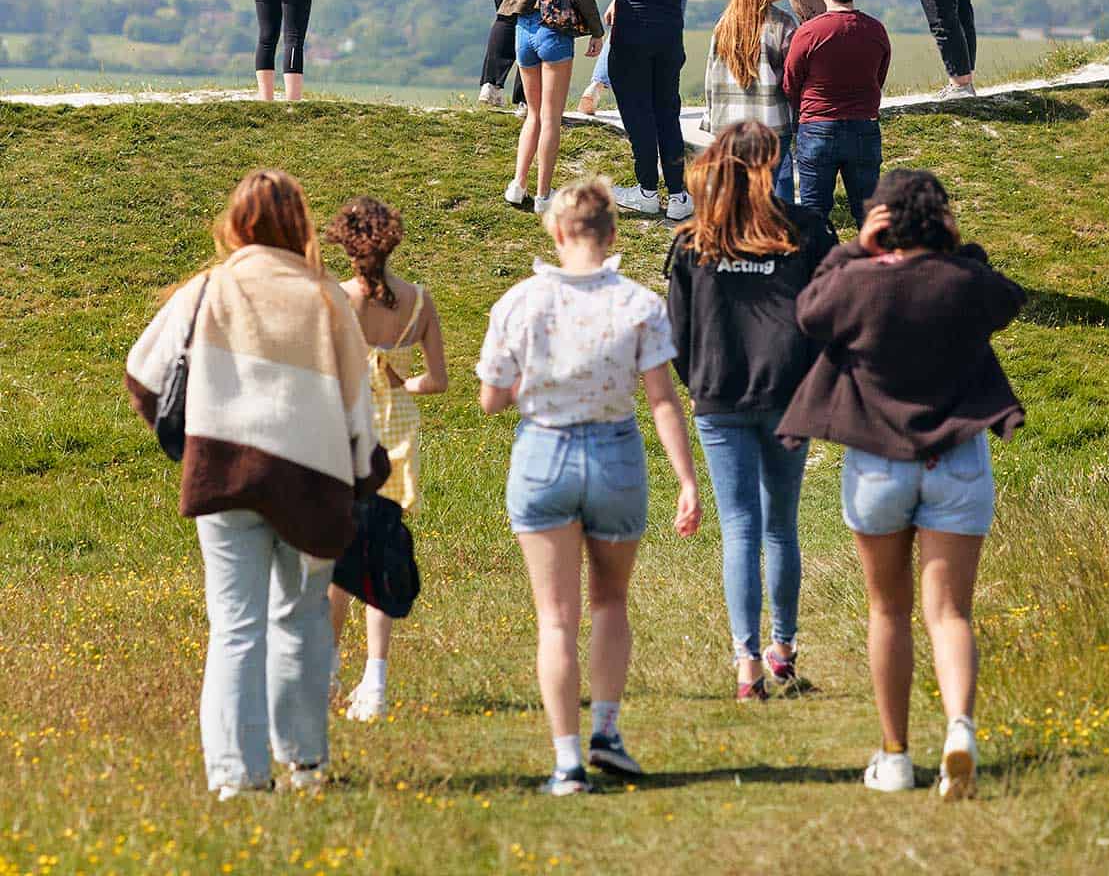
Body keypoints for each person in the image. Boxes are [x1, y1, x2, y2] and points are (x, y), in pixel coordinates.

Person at [124, 170, 385, 799]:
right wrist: (366, 477)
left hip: (223, 474)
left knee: (234, 627)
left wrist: (190, 436)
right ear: (299, 225)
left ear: (236, 224)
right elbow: (359, 410)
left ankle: (234, 778)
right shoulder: (327, 299)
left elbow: (142, 373)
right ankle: (305, 764)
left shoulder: (208, 288)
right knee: (299, 622)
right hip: (311, 481)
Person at [777, 170, 1026, 799]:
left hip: (877, 465)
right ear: (941, 222)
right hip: (958, 461)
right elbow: (1005, 297)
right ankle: (960, 730)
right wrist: (959, 246)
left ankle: (893, 757)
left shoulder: (857, 284)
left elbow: (809, 311)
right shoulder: (962, 283)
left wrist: (855, 248)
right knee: (950, 614)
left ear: (880, 220)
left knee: (888, 610)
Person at [476, 178, 702, 795]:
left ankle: (567, 760)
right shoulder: (638, 305)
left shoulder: (520, 303)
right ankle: (607, 730)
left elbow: (492, 398)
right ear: (611, 234)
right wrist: (685, 477)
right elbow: (662, 401)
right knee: (609, 602)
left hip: (544, 452)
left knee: (556, 619)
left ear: (555, 231)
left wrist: (543, 384)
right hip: (615, 454)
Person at [666, 123, 836, 700]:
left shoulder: (693, 241)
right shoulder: (806, 231)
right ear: (775, 162)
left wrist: (700, 386)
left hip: (718, 396)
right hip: (788, 396)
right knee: (780, 526)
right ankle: (783, 650)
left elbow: (678, 333)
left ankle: (747, 667)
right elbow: (829, 314)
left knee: (739, 528)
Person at [323, 197, 448, 722]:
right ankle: (374, 682)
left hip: (340, 442)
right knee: (380, 561)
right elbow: (438, 381)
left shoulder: (334, 302)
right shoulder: (418, 303)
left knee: (334, 564)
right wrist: (404, 383)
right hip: (394, 442)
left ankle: (327, 671)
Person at [484, 0, 604, 213]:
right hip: (554, 32)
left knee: (533, 116)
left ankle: (517, 184)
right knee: (551, 118)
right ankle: (543, 195)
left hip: (523, 30)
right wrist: (596, 30)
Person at [594, 0, 692, 220]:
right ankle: (679, 193)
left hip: (632, 34)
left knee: (638, 114)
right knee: (668, 111)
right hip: (669, 35)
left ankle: (647, 189)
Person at [782, 0, 891, 228]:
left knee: (812, 214)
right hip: (864, 127)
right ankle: (874, 266)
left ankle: (815, 267)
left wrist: (803, 108)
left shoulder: (809, 32)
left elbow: (790, 83)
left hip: (818, 126)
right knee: (869, 215)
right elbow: (879, 77)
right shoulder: (876, 30)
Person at [702, 0, 799, 200]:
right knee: (769, 190)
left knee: (737, 193)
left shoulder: (724, 24)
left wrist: (711, 117)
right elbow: (793, 78)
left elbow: (711, 77)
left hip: (730, 126)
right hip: (772, 123)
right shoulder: (784, 25)